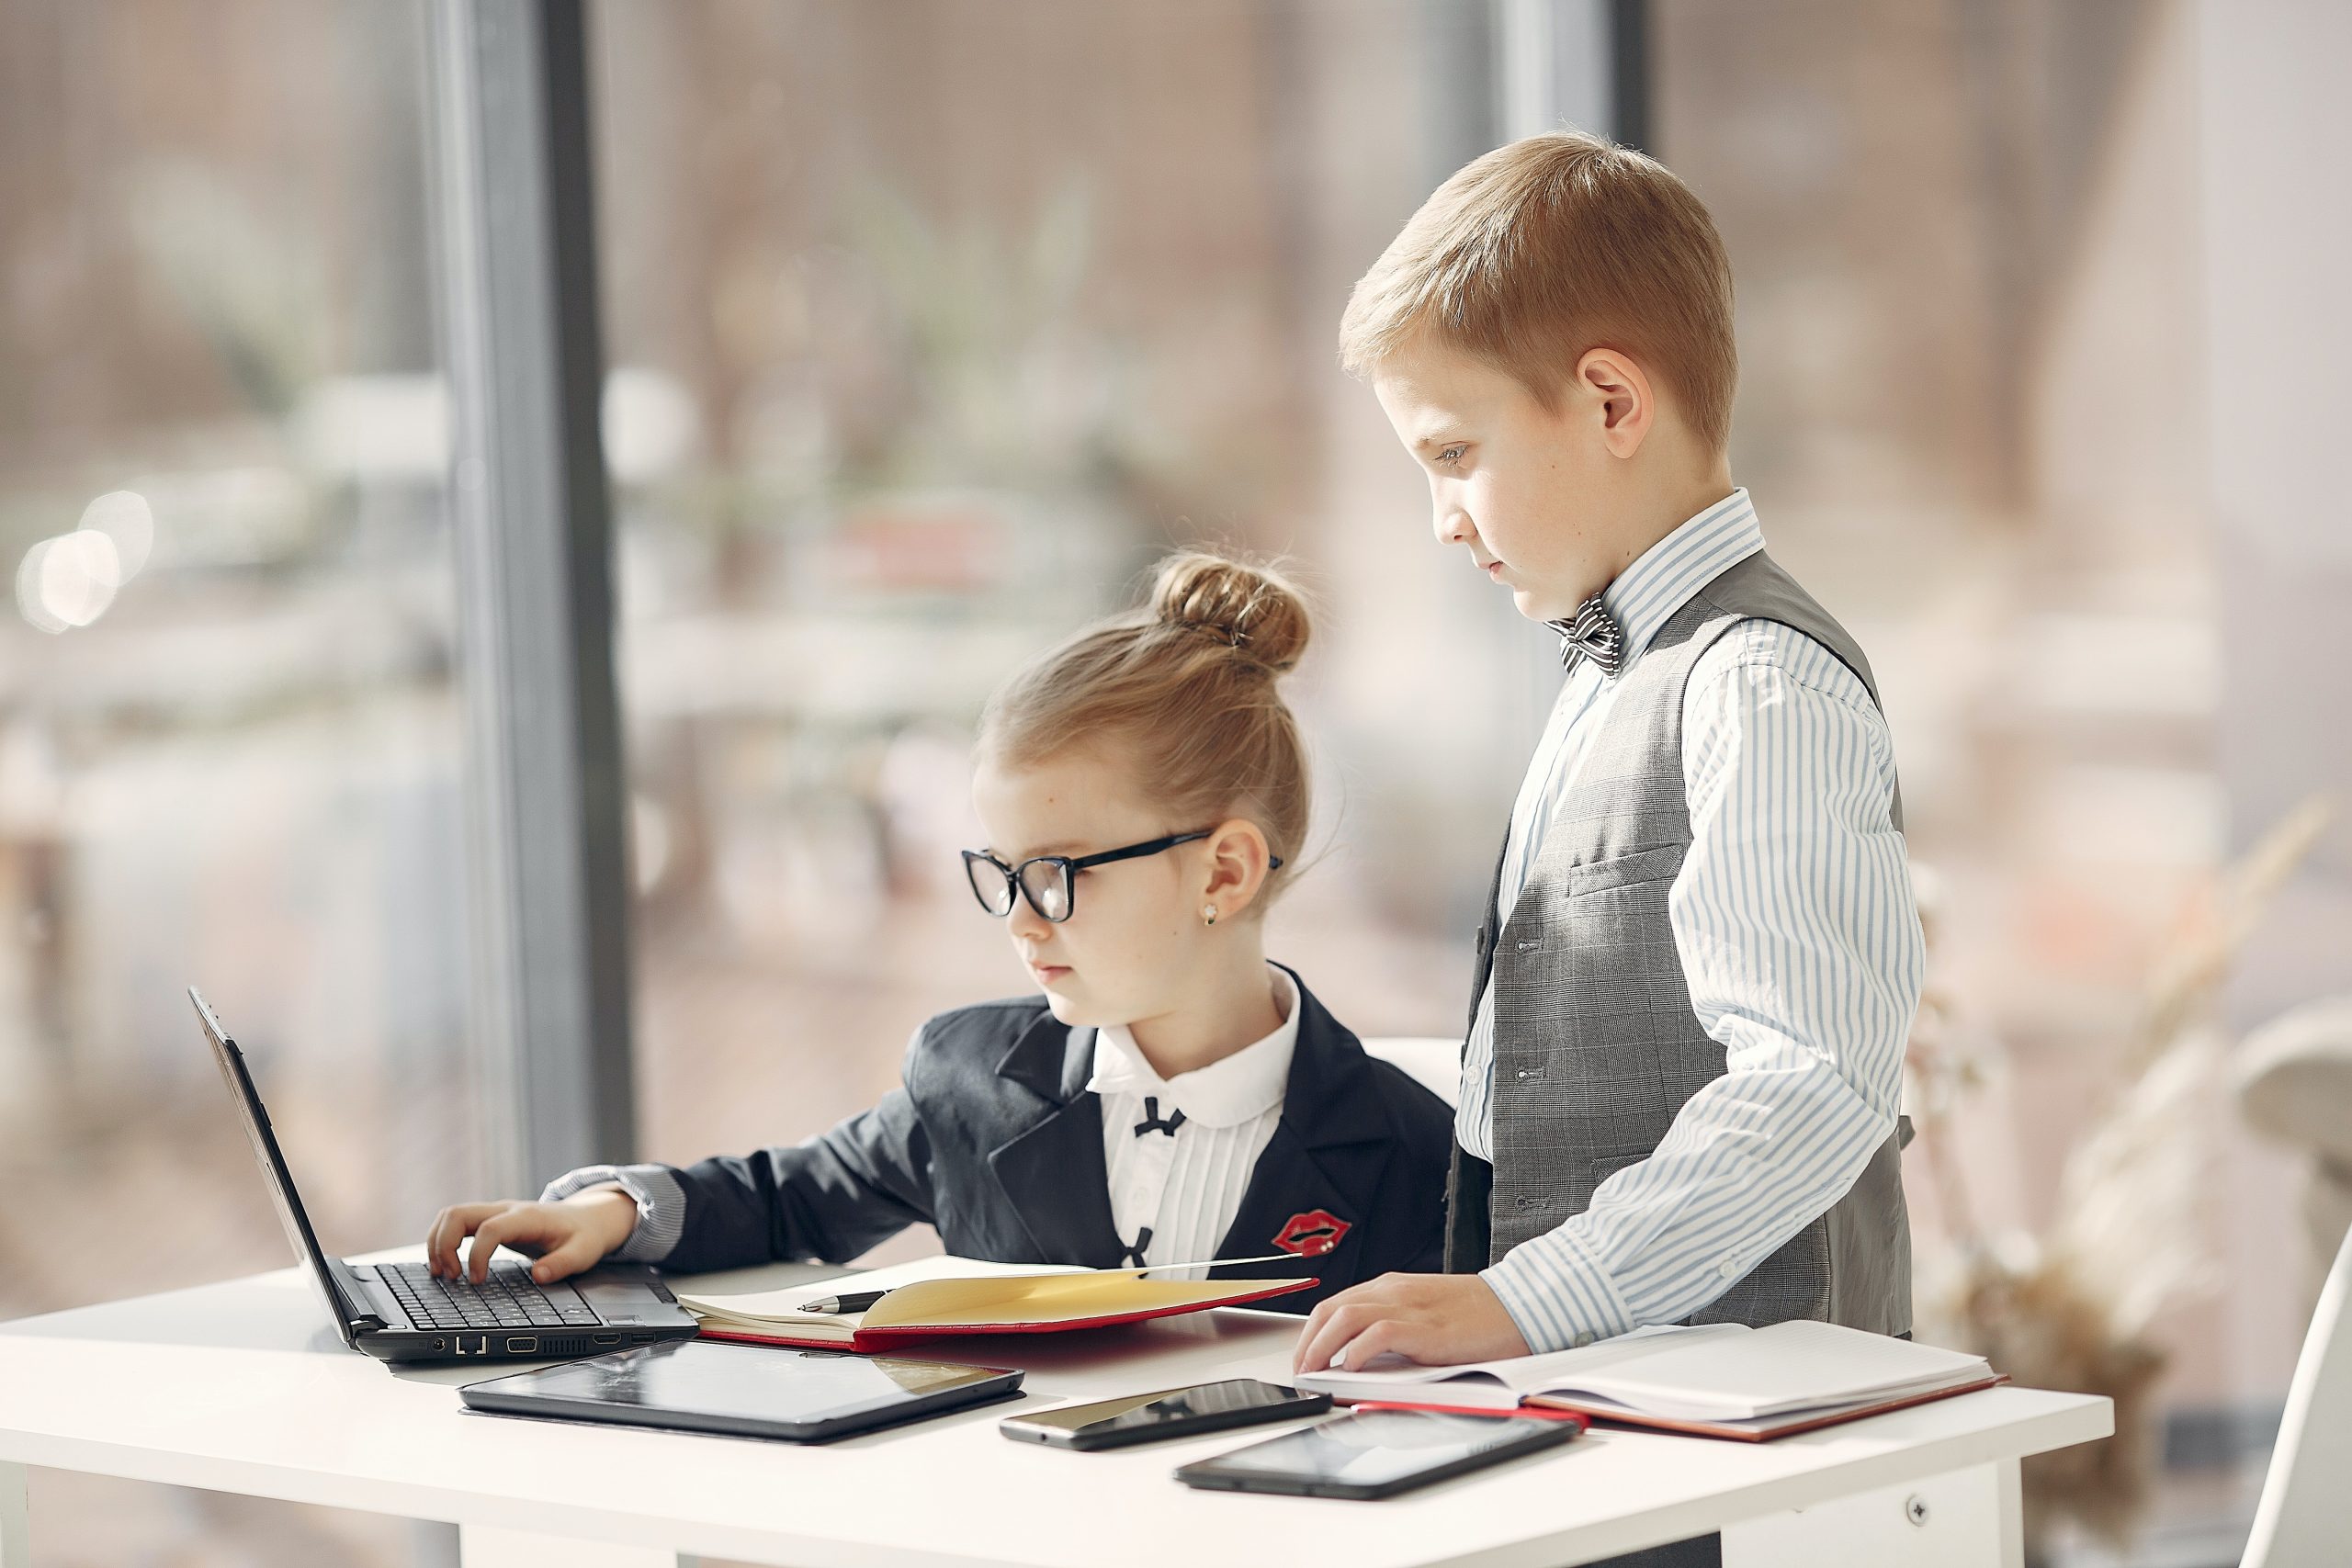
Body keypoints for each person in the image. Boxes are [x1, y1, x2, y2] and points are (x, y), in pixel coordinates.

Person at [1296, 130, 1921, 1392]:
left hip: (1748, 1440)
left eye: (1454, 454)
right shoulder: (1612, 666)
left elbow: (1813, 1080)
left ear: (1611, 402)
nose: (1442, 519)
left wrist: (1527, 1300)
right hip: (1618, 1410)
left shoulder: (1757, 680)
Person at [427, 552, 1452, 1313]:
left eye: (1053, 875)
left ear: (1222, 870)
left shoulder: (1418, 1155)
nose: (1016, 918)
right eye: (1000, 874)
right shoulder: (969, 1080)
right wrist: (608, 1212)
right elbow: (790, 1202)